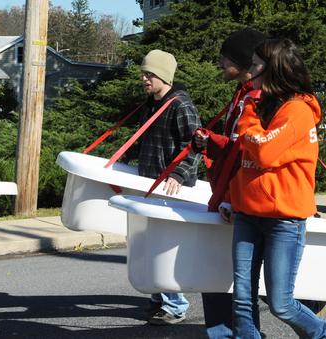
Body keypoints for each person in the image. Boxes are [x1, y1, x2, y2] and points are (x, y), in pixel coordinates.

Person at [229, 38, 326, 338]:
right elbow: (249, 151)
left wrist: (247, 118)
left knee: (281, 304)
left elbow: (265, 152)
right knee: (242, 297)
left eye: (256, 65)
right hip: (247, 213)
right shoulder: (260, 103)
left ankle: (325, 334)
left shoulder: (298, 110)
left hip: (284, 219)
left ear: (274, 70)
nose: (250, 70)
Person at [192, 27, 265, 339]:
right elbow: (236, 146)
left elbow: (252, 153)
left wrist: (232, 199)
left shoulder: (259, 97)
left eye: (226, 57)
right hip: (226, 194)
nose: (219, 62)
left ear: (243, 62)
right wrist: (210, 142)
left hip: (239, 199)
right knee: (216, 273)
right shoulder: (242, 93)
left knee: (238, 278)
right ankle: (222, 334)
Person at [136, 49, 202, 325]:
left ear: (163, 75)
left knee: (163, 247)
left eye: (149, 74)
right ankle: (158, 297)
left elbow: (197, 145)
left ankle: (175, 305)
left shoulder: (180, 106)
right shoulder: (153, 103)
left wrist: (177, 174)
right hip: (152, 185)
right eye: (144, 73)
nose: (144, 78)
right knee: (149, 243)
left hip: (172, 188)